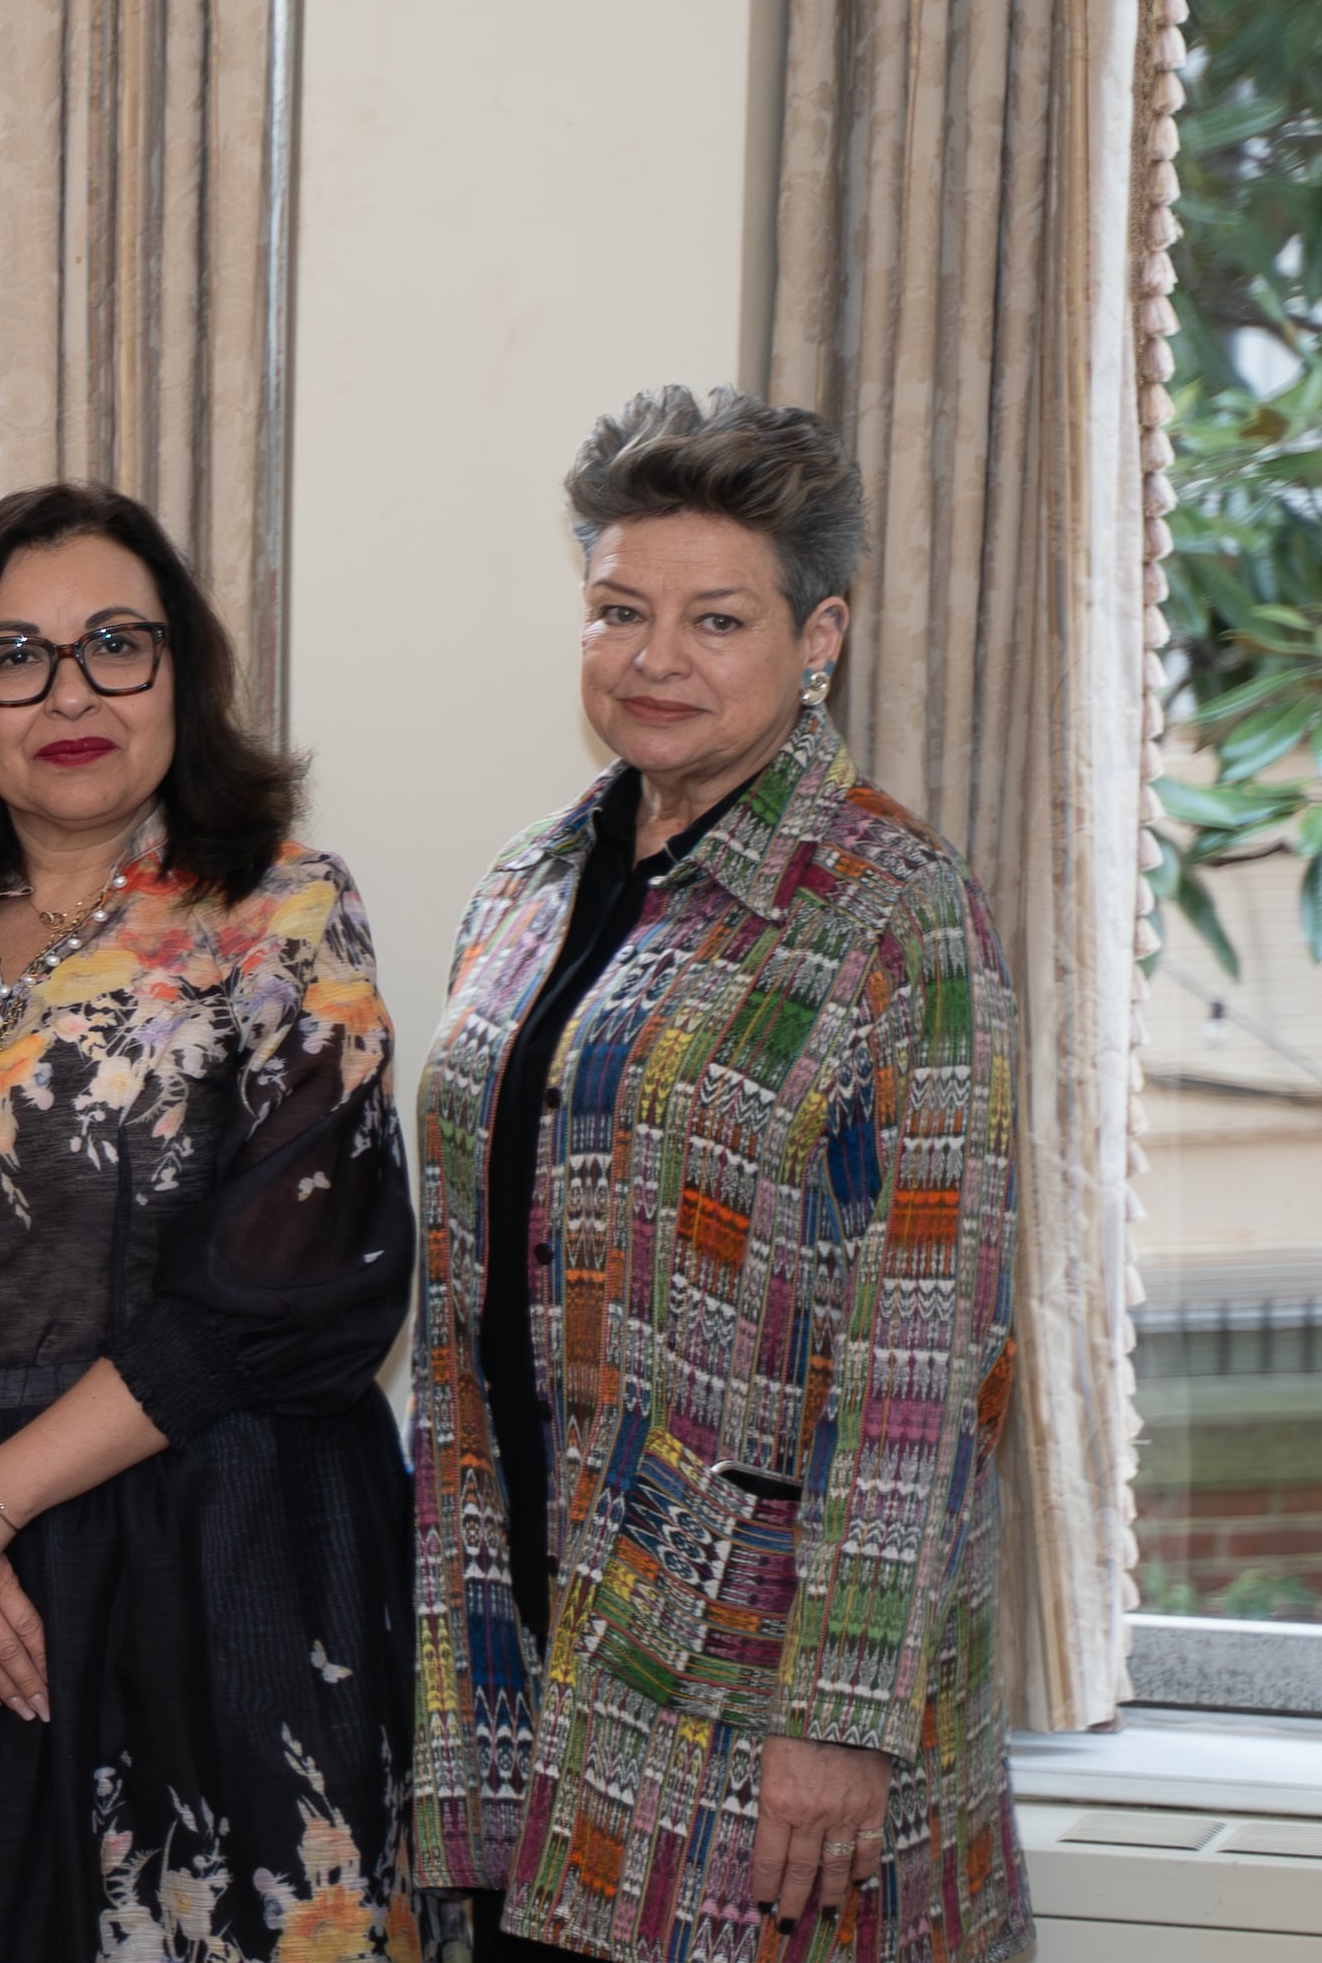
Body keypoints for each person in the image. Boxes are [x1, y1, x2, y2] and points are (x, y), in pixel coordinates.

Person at [0, 484, 418, 1961]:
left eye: (116, 643)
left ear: (182, 672)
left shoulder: (282, 914)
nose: (71, 694)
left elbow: (297, 1278)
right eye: (16, 656)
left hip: (210, 1565)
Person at [406, 389, 1031, 1963]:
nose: (655, 658)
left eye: (717, 619)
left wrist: (842, 1719)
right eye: (620, 609)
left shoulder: (895, 911)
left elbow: (923, 1353)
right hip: (518, 1637)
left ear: (819, 636)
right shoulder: (529, 881)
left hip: (752, 1687)